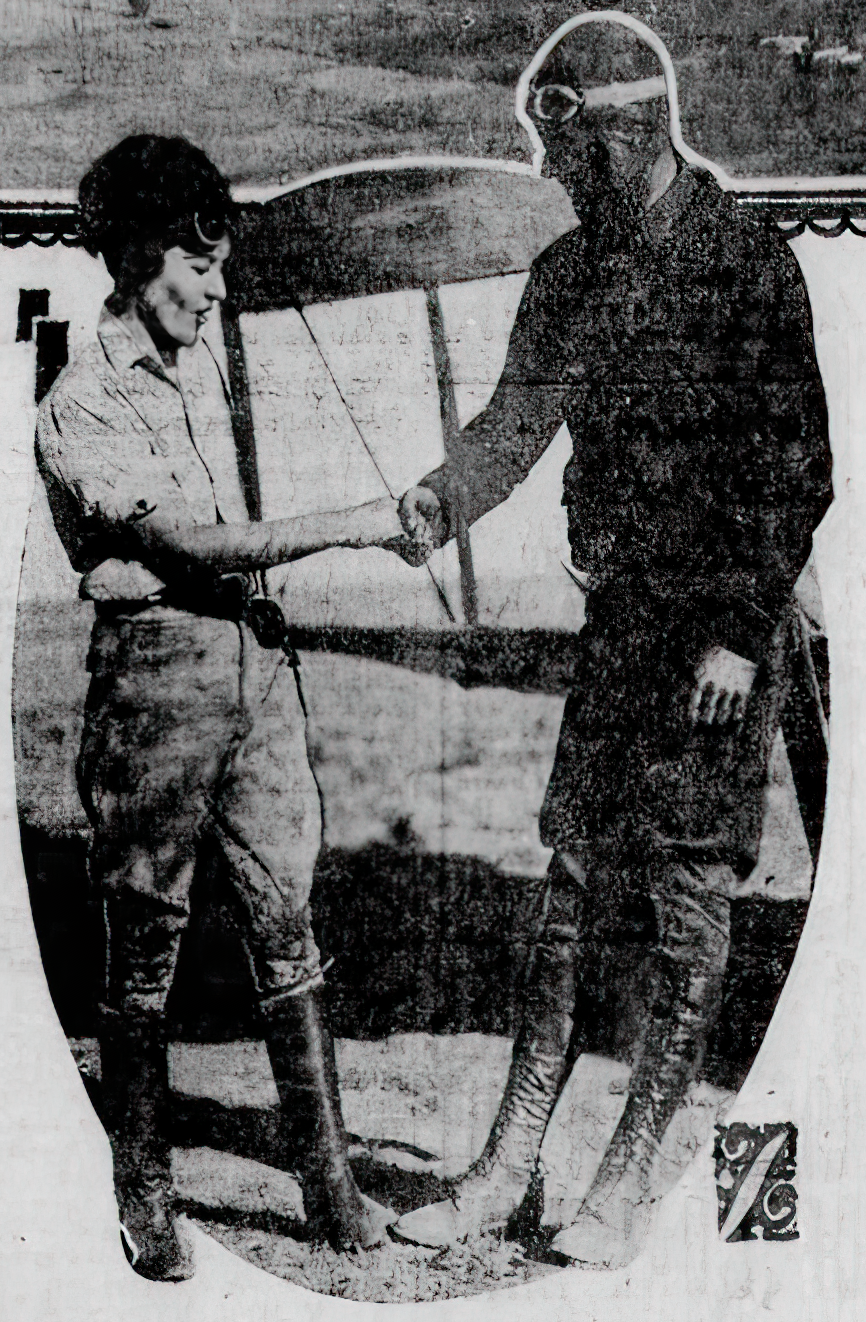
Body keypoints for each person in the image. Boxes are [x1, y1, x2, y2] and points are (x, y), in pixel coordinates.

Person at [393, 15, 833, 1266]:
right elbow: (511, 424)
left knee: (689, 899)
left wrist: (741, 634)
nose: (557, 183)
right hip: (623, 626)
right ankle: (507, 1168)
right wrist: (437, 498)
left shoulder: (744, 261)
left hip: (718, 639)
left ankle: (629, 1182)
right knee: (572, 886)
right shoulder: (569, 275)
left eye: (568, 158)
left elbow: (794, 465)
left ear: (628, 134)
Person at [35, 134, 435, 1281]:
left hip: (256, 663)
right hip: (158, 679)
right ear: (134, 257)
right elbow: (192, 545)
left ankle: (330, 1184)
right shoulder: (79, 402)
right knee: (145, 941)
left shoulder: (191, 362)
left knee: (287, 921)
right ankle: (146, 1188)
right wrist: (356, 521)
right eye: (198, 267)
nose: (215, 290)